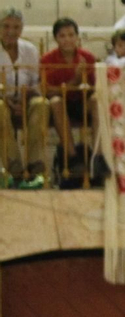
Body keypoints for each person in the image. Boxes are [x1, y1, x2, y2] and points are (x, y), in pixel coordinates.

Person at [0, 9, 49, 188]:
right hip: (2, 101)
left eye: (16, 27)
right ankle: (15, 170)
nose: (11, 32)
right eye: (6, 26)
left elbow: (37, 82)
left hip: (25, 99)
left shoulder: (30, 50)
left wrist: (24, 99)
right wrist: (8, 101)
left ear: (21, 29)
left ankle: (34, 167)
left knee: (42, 104)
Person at [40, 18, 95, 178]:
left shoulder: (88, 57)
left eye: (71, 35)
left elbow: (94, 87)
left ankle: (98, 156)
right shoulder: (47, 60)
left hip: (83, 102)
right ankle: (72, 157)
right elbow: (48, 92)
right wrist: (75, 80)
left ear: (77, 36)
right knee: (56, 102)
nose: (67, 39)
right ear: (56, 38)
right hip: (61, 105)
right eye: (62, 36)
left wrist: (83, 82)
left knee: (97, 101)